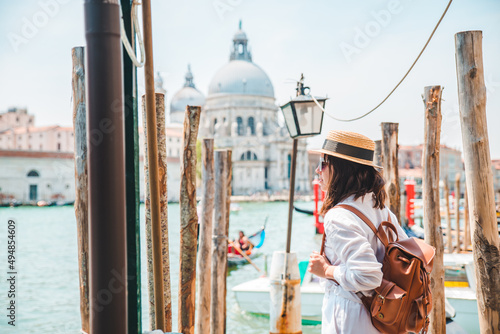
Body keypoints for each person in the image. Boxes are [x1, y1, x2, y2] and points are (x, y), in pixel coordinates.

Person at [307, 130, 408, 334]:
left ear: (341, 170)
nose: (318, 170)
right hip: (382, 319)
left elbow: (368, 276)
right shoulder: (383, 211)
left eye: (323, 164)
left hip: (353, 319)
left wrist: (325, 270)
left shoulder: (338, 216)